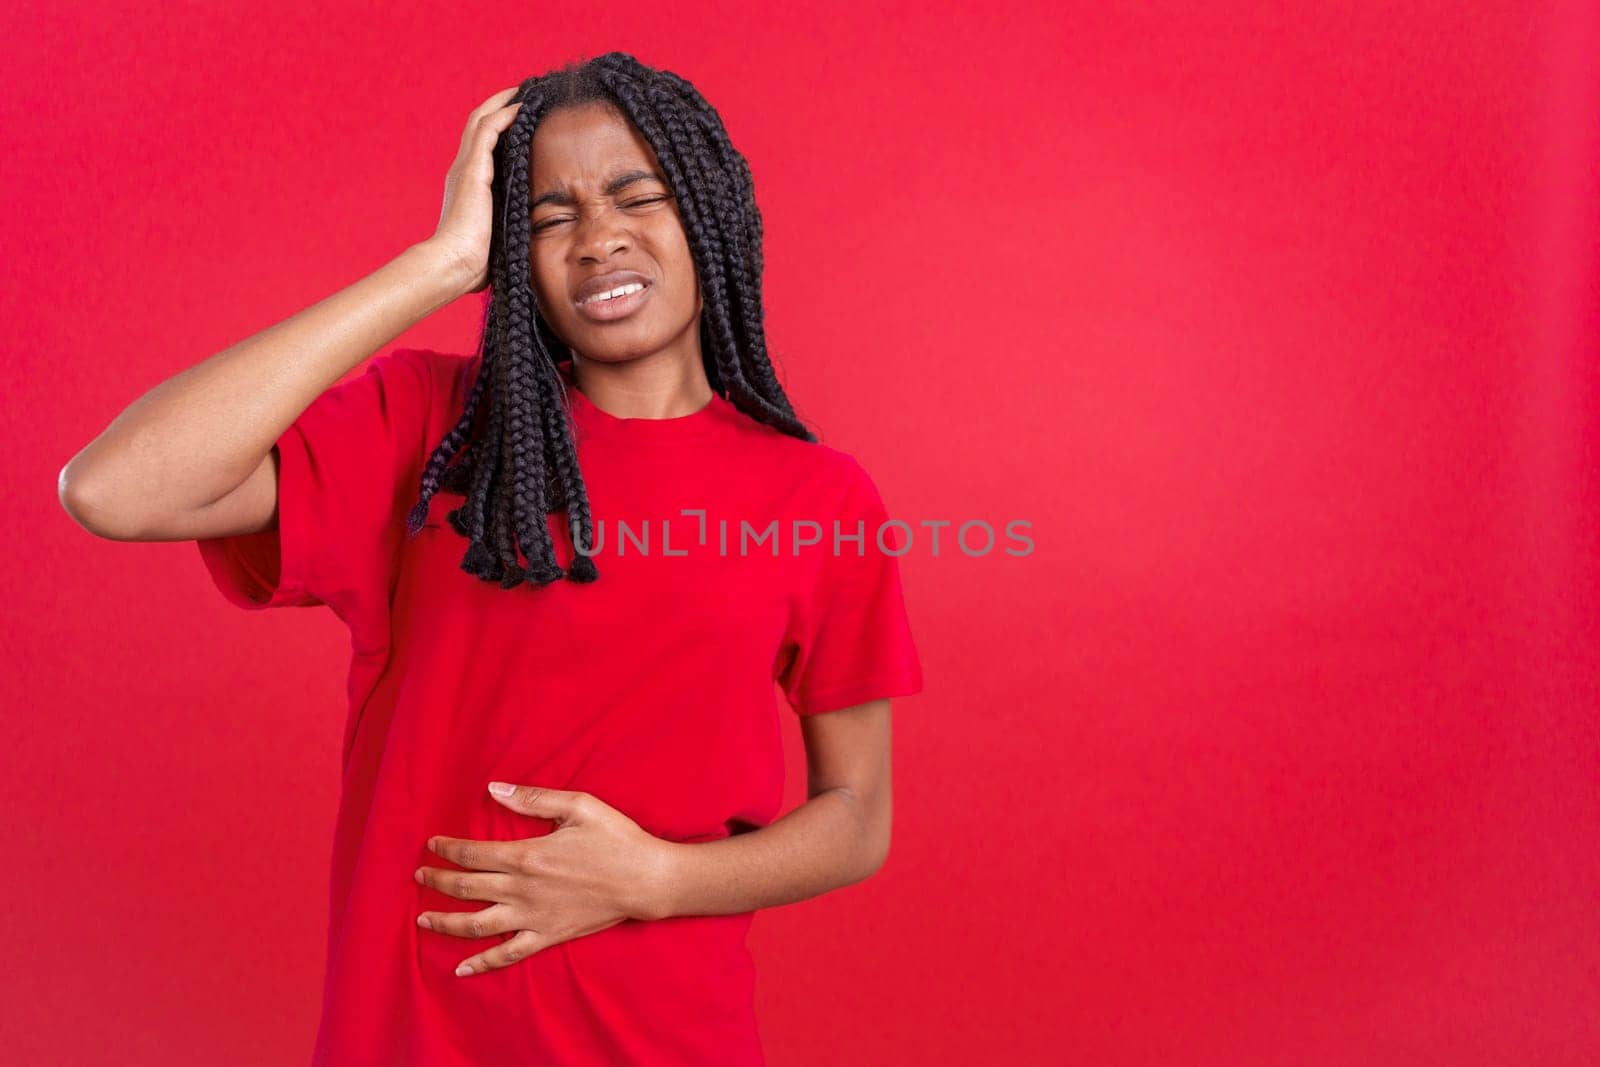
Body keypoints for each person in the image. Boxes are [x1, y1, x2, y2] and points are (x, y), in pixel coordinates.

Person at [59, 52, 923, 1065]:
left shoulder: (817, 498)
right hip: (418, 1034)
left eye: (636, 194)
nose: (599, 239)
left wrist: (653, 878)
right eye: (549, 219)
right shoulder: (433, 431)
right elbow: (116, 489)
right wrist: (434, 265)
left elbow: (855, 816)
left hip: (666, 1034)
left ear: (711, 209)